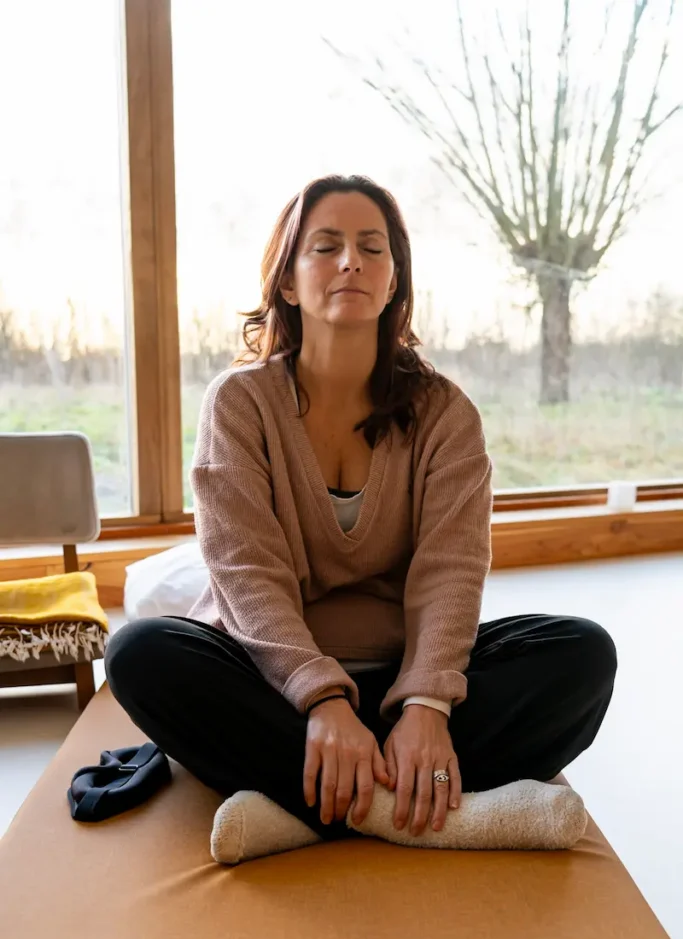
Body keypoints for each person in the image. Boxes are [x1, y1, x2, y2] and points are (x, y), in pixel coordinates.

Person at [105, 174, 617, 863]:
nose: (350, 261)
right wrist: (322, 703)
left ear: (393, 280)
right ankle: (420, 808)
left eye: (371, 248)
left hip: (402, 678)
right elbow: (243, 571)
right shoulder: (239, 404)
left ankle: (302, 806)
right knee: (140, 653)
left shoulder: (445, 414)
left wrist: (426, 709)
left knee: (581, 655)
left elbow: (450, 572)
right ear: (287, 281)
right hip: (274, 682)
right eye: (325, 246)